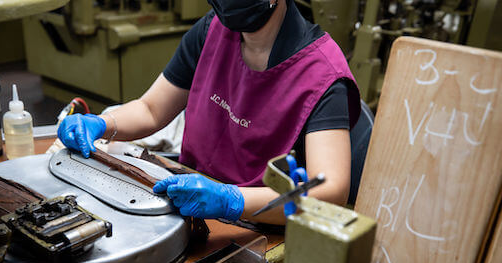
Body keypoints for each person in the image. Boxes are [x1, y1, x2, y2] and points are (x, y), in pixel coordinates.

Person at [57, 0, 361, 225]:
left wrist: (231, 201)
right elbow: (151, 110)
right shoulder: (213, 30)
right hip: (188, 201)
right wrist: (101, 123)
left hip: (261, 225)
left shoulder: (323, 75)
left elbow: (331, 191)